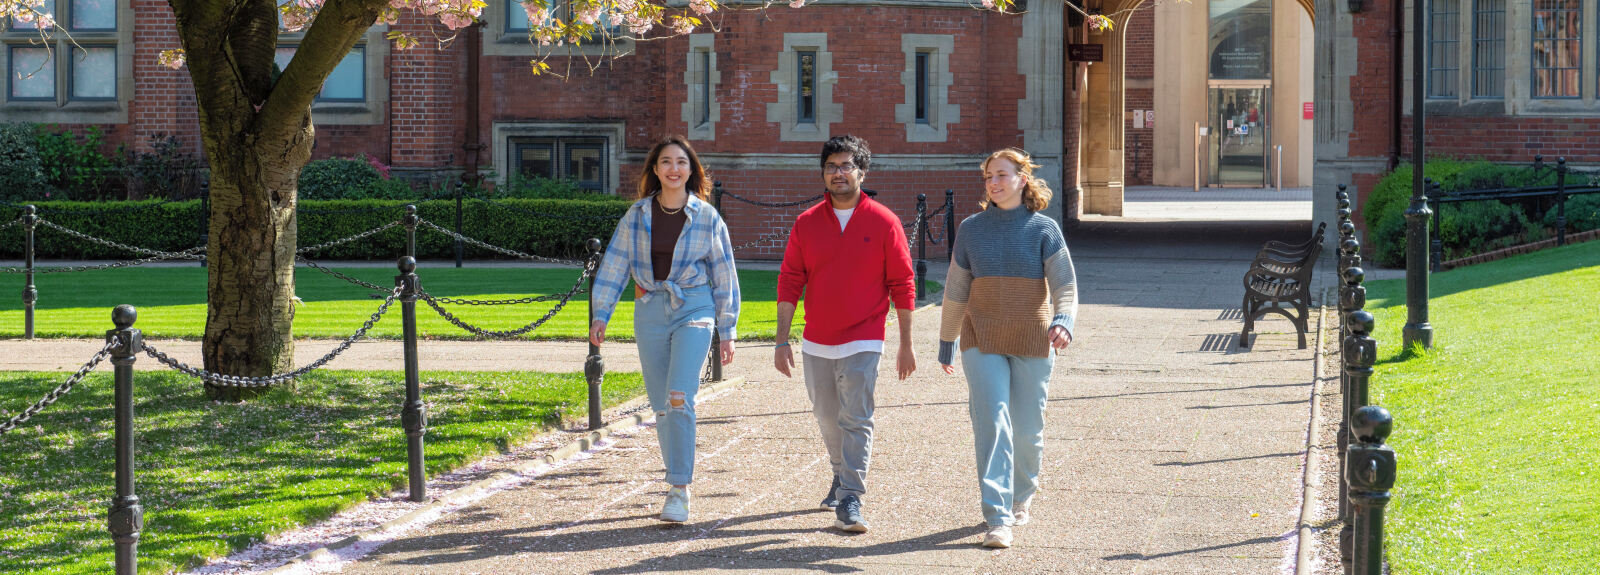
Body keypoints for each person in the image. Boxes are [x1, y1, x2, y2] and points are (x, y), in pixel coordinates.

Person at [589, 135, 739, 524]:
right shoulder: (637, 215)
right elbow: (615, 265)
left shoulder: (707, 217)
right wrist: (601, 314)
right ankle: (677, 476)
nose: (674, 168)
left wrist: (728, 330)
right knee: (660, 405)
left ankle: (679, 488)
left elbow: (724, 274)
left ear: (691, 170)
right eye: (667, 162)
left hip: (695, 306)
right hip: (650, 309)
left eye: (681, 162)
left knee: (678, 397)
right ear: (655, 170)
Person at [775, 134, 916, 533]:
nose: (838, 173)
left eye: (846, 166)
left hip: (865, 336)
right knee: (826, 416)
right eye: (831, 167)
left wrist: (906, 345)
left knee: (856, 417)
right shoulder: (806, 223)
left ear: (862, 172)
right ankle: (840, 472)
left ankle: (851, 496)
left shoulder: (884, 221)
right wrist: (782, 340)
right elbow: (790, 281)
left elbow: (903, 283)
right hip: (817, 338)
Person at [938, 148, 1077, 549]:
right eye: (988, 177)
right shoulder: (971, 229)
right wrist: (947, 340)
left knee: (1028, 429)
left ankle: (1022, 494)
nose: (993, 183)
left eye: (1001, 175)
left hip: (1033, 338)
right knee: (992, 424)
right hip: (981, 337)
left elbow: (1065, 284)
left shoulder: (1044, 229)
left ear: (1022, 179)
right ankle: (997, 517)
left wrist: (1063, 320)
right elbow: (956, 289)